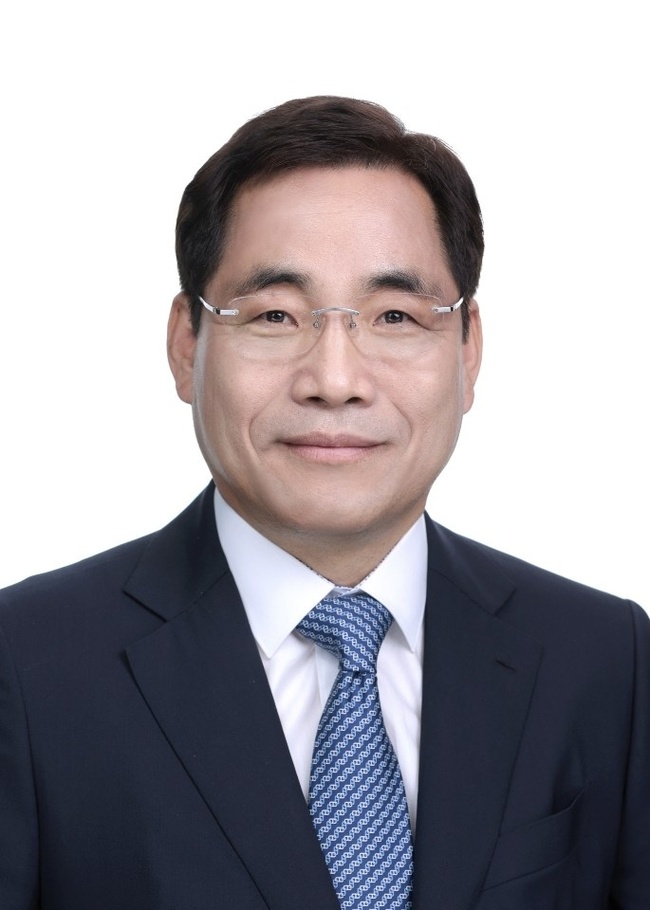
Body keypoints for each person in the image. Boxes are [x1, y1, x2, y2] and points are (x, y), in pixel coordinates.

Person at [0, 96, 648, 910]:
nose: (335, 381)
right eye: (274, 315)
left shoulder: (605, 660)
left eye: (395, 316)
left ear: (467, 351)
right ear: (186, 345)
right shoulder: (28, 665)